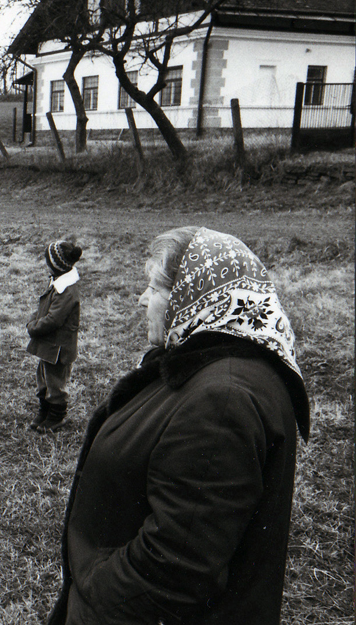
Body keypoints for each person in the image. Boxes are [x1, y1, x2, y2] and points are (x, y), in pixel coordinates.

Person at [47, 226, 309, 625]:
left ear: (192, 297)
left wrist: (95, 596)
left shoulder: (223, 403)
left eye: (153, 288)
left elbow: (173, 570)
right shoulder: (217, 372)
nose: (142, 300)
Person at [25, 240, 83, 433]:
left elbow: (53, 320)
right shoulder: (57, 281)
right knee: (43, 377)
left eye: (47, 262)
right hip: (49, 345)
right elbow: (44, 308)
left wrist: (33, 327)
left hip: (59, 347)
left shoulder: (66, 290)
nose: (45, 265)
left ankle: (56, 416)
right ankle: (45, 410)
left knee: (55, 382)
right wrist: (34, 319)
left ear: (57, 265)